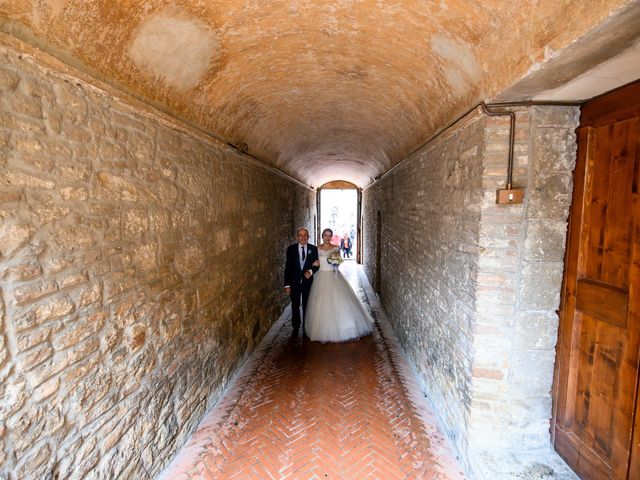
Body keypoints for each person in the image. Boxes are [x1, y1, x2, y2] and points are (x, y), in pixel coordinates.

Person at [304, 228, 373, 342]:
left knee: (337, 300)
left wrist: (335, 262)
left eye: (329, 235)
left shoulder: (335, 248)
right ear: (322, 236)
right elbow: (314, 262)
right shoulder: (317, 248)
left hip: (333, 276)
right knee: (321, 303)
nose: (327, 237)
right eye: (325, 235)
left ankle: (344, 328)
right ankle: (322, 329)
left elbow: (337, 264)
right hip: (321, 276)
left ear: (331, 236)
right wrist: (315, 263)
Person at [284, 228, 319, 334]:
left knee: (306, 305)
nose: (303, 237)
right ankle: (296, 326)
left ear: (308, 237)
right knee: (295, 304)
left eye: (305, 235)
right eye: (300, 235)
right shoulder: (291, 249)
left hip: (307, 282)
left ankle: (306, 326)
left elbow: (317, 265)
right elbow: (288, 267)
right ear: (297, 237)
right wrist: (287, 285)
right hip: (294, 282)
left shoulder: (313, 249)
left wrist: (311, 271)